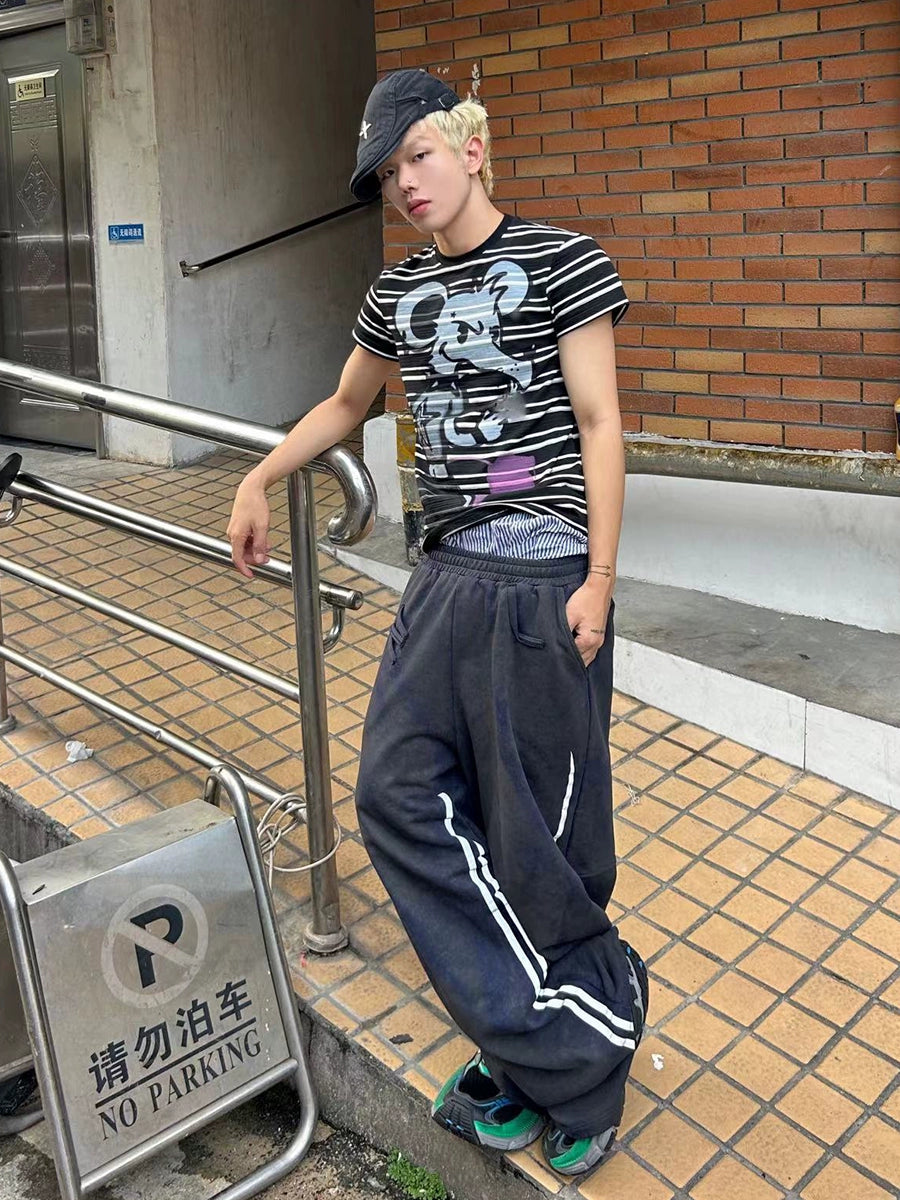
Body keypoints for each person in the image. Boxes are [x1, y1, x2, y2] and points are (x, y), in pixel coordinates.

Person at [227, 68, 647, 1179]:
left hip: (543, 583)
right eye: (387, 174)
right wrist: (261, 475)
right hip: (445, 580)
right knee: (399, 797)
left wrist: (600, 579)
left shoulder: (563, 261)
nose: (404, 184)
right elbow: (345, 402)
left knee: (540, 838)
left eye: (417, 156)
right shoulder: (397, 292)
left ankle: (575, 1059)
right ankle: (547, 1034)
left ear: (470, 145)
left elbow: (600, 423)